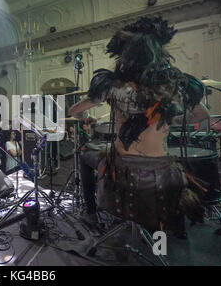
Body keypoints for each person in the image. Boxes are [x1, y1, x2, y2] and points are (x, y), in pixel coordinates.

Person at [69, 17, 208, 238]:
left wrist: (88, 115)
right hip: (160, 170)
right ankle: (171, 226)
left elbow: (73, 111)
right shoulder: (176, 85)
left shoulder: (112, 85)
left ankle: (91, 213)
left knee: (85, 154)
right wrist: (168, 117)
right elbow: (202, 116)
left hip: (122, 166)